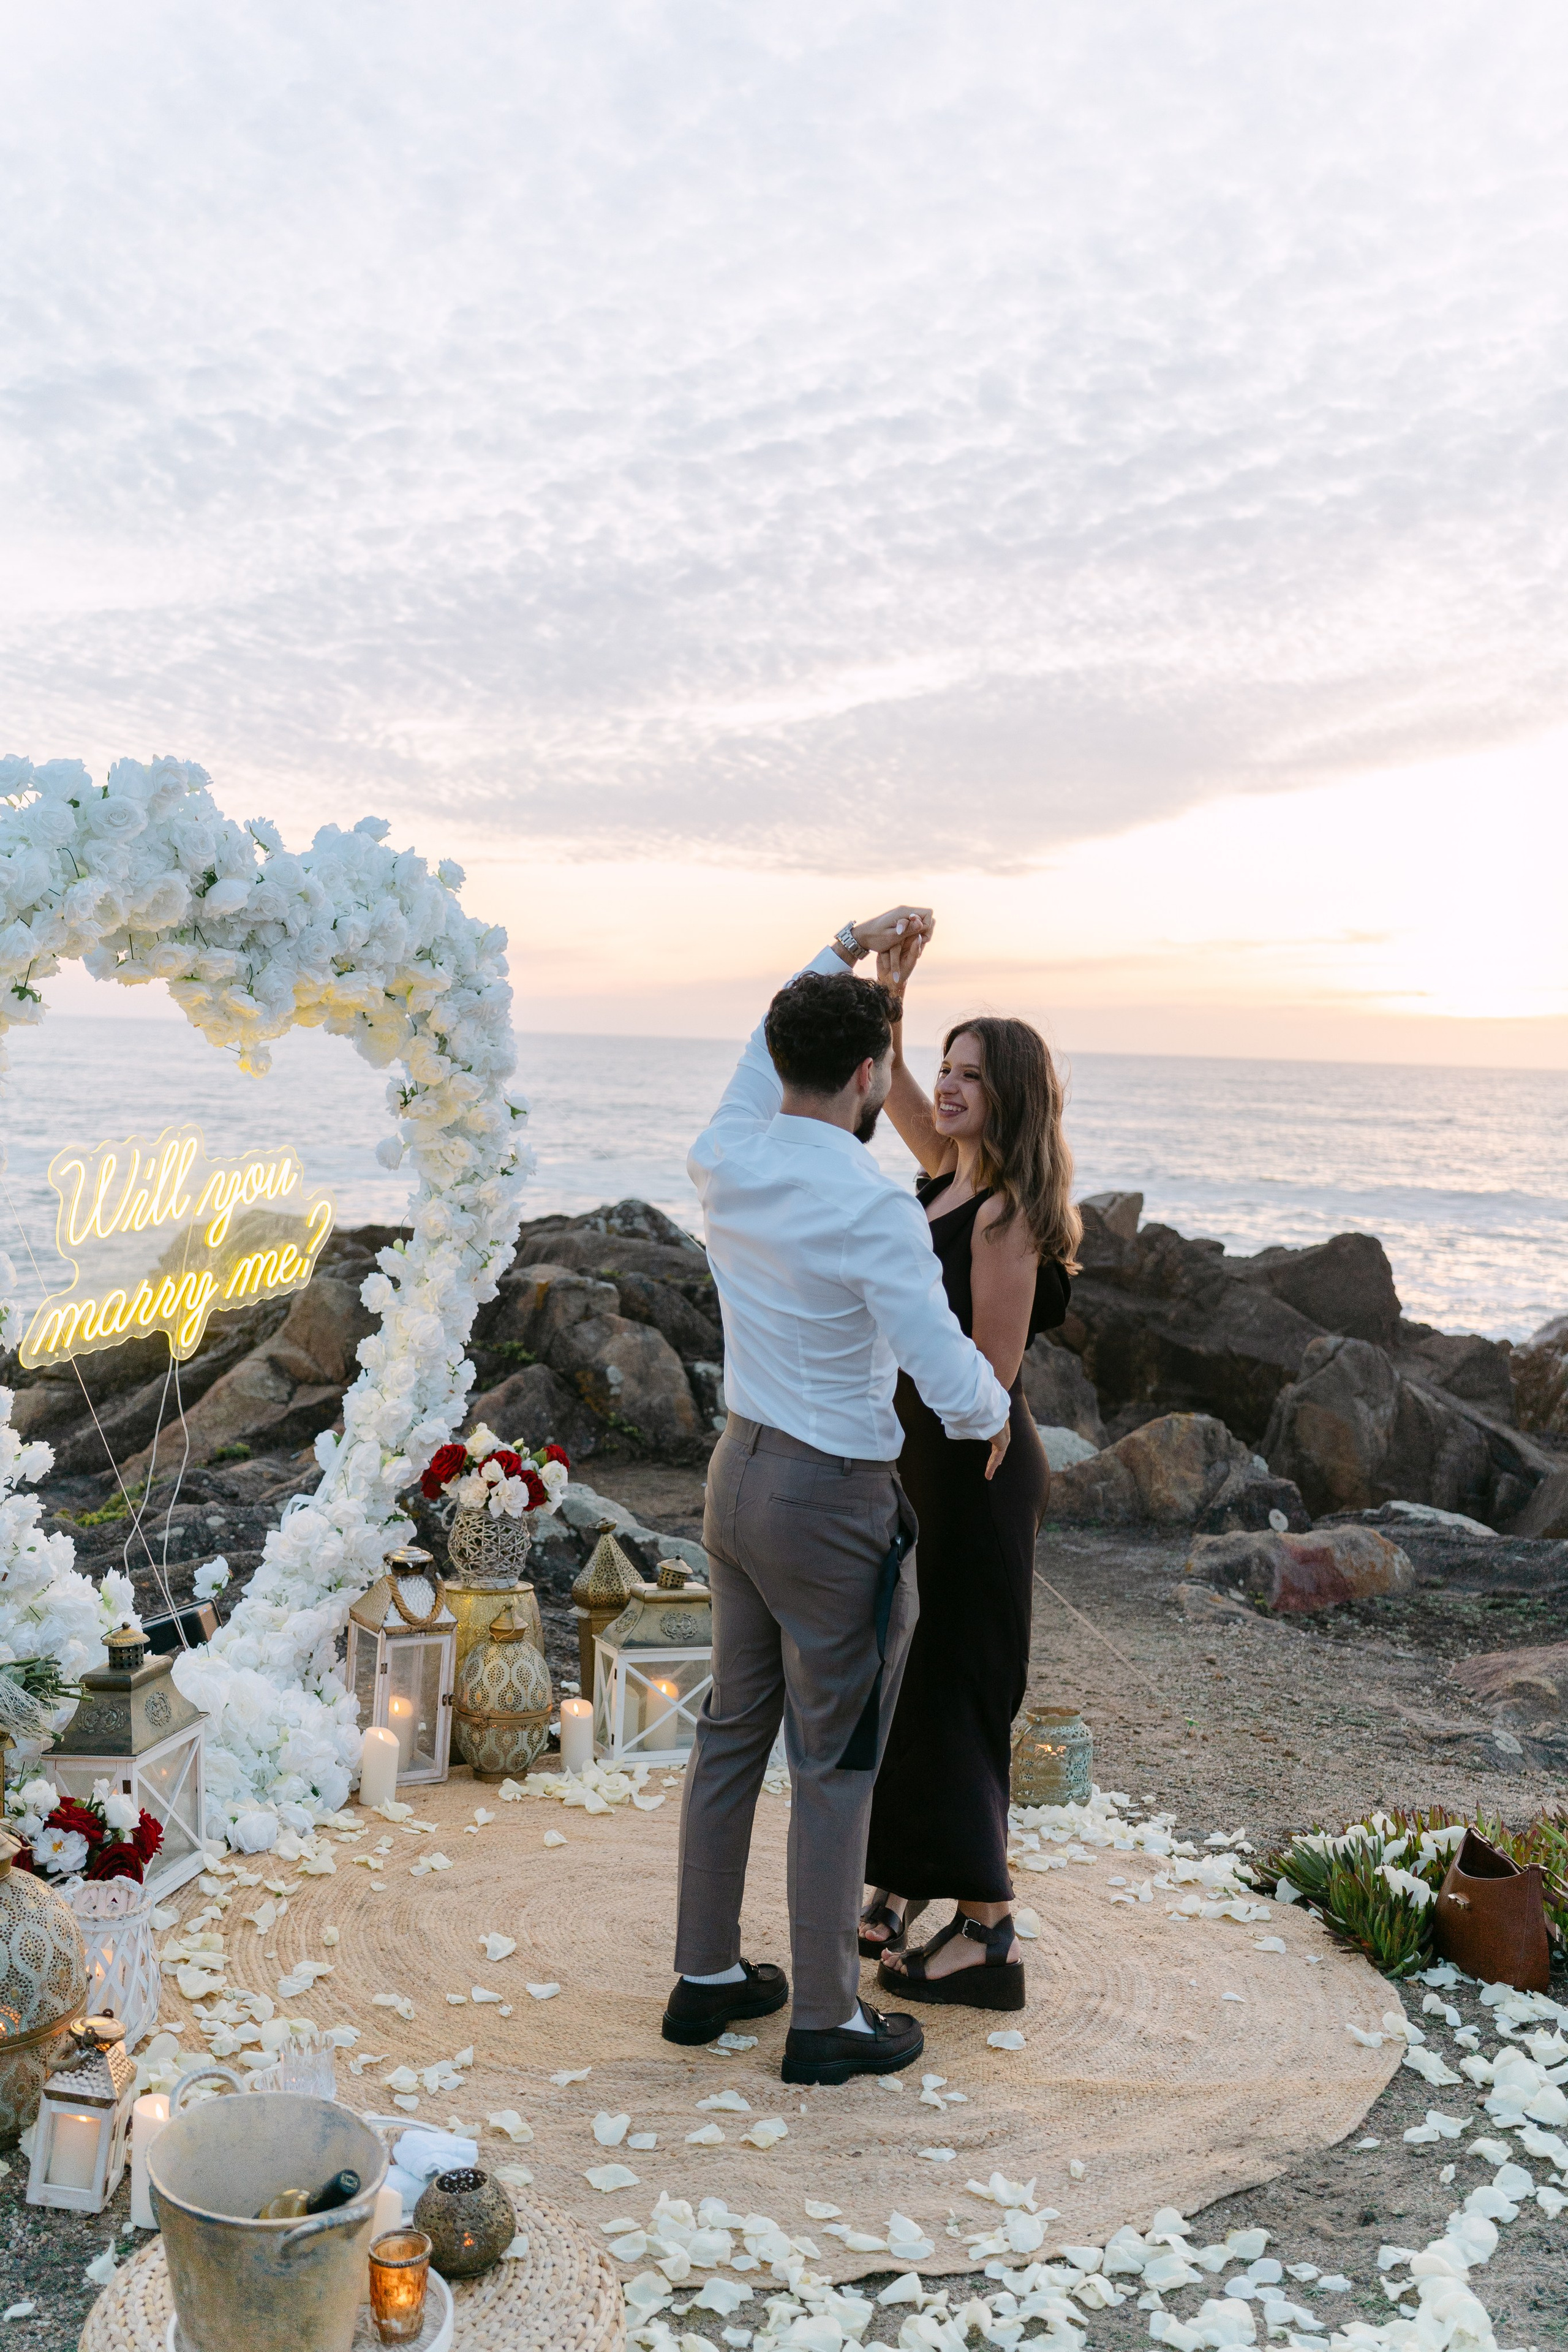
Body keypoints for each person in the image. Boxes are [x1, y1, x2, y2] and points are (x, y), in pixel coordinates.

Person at [664, 908, 1014, 2086]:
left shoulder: (729, 1153)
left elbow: (754, 1055)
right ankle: (826, 2019)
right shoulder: (870, 1205)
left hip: (736, 1478)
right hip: (829, 1503)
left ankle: (705, 1978)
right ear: (870, 1077)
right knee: (836, 1759)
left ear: (782, 1064)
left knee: (731, 1736)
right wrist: (997, 1417)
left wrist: (843, 945)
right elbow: (944, 1370)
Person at [859, 925, 1080, 2009]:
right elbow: (890, 1083)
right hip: (927, 1467)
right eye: (946, 1070)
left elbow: (984, 1384)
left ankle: (989, 1933)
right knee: (916, 1673)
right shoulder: (945, 1172)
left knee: (957, 1684)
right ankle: (903, 1880)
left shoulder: (1001, 1213)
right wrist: (895, 988)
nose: (945, 1090)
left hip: (976, 1475)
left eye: (970, 1078)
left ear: (1012, 1101)